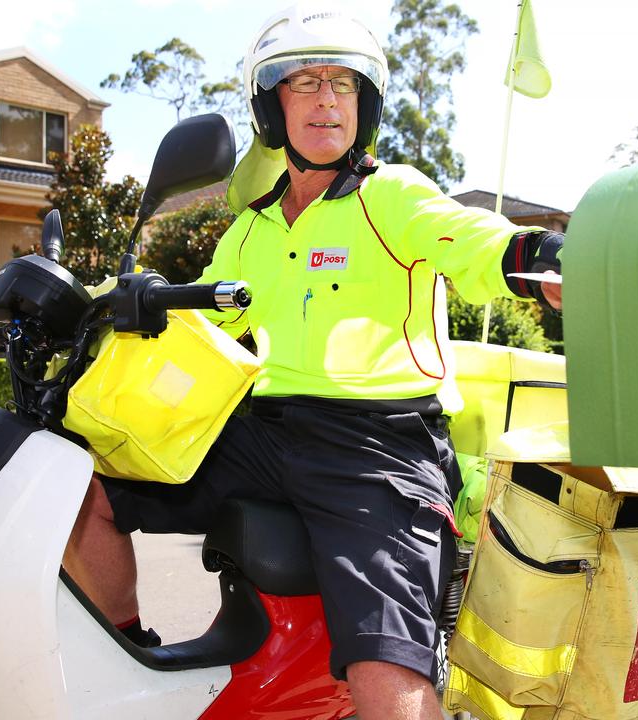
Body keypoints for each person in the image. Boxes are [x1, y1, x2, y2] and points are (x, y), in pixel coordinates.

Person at [64, 4, 563, 718]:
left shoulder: (389, 196)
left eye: (344, 84)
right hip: (259, 431)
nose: (328, 99)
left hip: (376, 447)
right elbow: (195, 322)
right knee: (81, 494)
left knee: (386, 662)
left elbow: (469, 238)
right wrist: (114, 302)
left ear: (366, 104)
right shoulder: (251, 229)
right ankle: (130, 666)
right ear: (273, 105)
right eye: (305, 82)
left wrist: (533, 258)